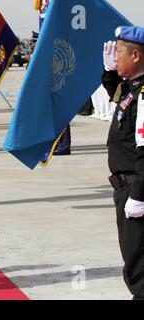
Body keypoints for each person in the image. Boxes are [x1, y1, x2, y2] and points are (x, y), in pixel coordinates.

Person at [103, 25, 144, 300]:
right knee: (133, 255)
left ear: (137, 56)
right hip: (124, 185)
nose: (115, 56)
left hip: (134, 185)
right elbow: (117, 96)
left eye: (119, 51)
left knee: (138, 258)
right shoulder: (132, 88)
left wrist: (139, 195)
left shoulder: (143, 94)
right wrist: (109, 72)